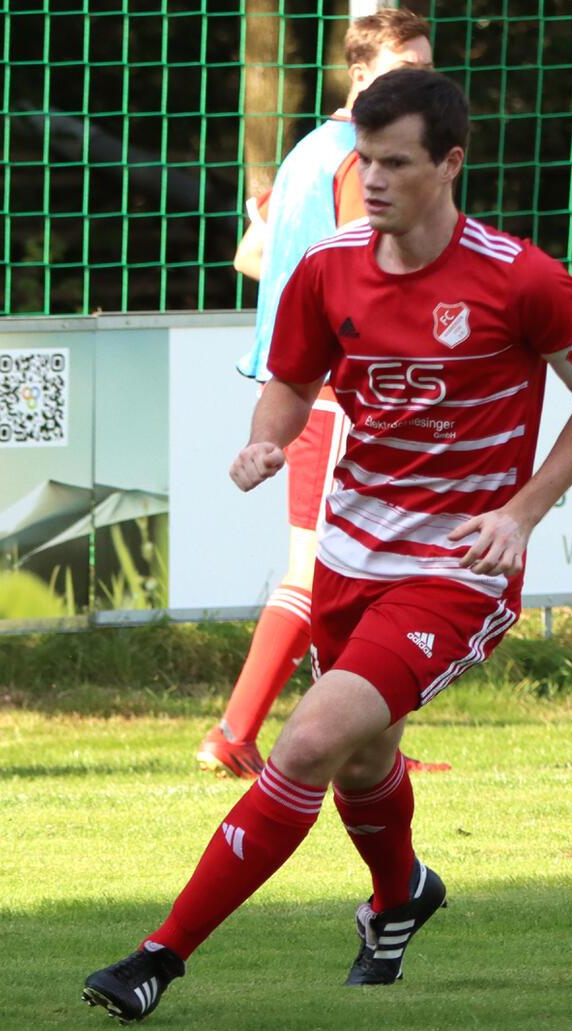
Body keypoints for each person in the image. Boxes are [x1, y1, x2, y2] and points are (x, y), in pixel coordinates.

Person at [85, 67, 572, 1020]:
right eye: (364, 161)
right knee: (367, 762)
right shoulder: (328, 266)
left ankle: (156, 959)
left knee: (305, 744)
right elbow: (291, 381)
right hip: (349, 559)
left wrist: (521, 513)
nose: (371, 180)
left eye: (394, 162)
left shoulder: (522, 280)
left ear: (449, 165)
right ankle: (402, 896)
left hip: (455, 575)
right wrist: (269, 435)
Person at [200, 7, 437, 780]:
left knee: (343, 572)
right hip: (332, 391)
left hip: (302, 382)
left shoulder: (309, 150)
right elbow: (363, 278)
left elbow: (257, 254)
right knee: (321, 574)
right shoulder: (357, 163)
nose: (420, 86)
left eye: (426, 71)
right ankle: (250, 733)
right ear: (361, 76)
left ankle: (346, 740)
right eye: (405, 70)